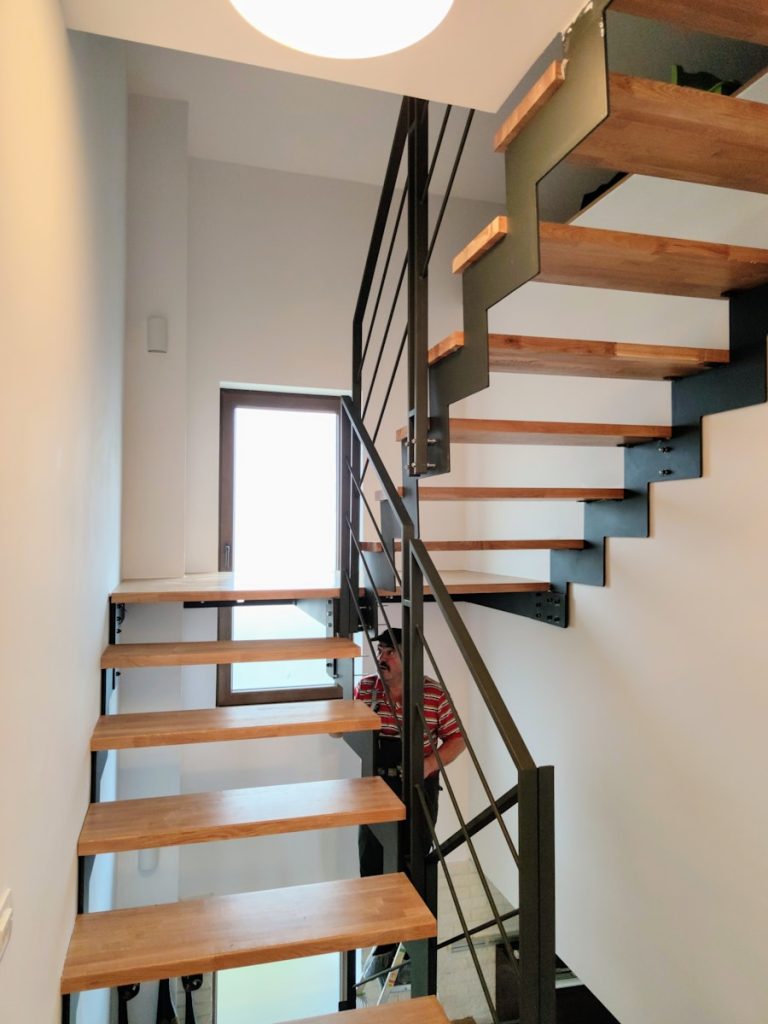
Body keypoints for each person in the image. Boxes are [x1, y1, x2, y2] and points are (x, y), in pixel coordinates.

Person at [355, 627, 466, 877]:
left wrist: (428, 764)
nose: (382, 658)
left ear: (410, 657)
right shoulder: (366, 688)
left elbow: (457, 739)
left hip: (417, 787)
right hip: (376, 785)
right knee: (371, 859)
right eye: (380, 651)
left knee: (411, 864)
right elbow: (345, 730)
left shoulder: (433, 693)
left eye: (390, 652)